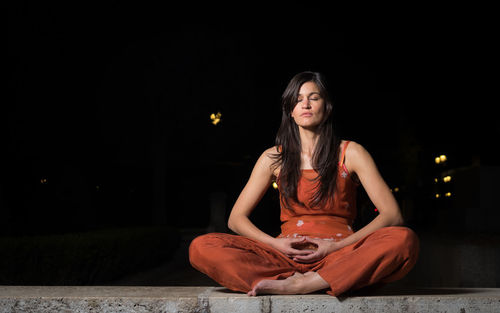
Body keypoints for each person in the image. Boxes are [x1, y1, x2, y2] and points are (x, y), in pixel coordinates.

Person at [189, 71, 419, 297]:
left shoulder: (351, 153)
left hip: (340, 254)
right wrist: (276, 245)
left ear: (326, 106)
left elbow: (392, 215)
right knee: (201, 247)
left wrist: (335, 247)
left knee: (404, 240)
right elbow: (235, 219)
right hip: (286, 257)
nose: (306, 104)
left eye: (314, 98)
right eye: (298, 100)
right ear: (290, 110)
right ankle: (310, 280)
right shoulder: (273, 157)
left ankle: (304, 284)